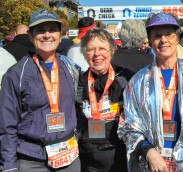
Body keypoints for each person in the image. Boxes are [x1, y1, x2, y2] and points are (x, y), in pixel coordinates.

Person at [118, 12, 183, 172]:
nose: (164, 40)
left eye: (169, 34)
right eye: (157, 36)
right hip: (155, 164)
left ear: (177, 38)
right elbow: (128, 126)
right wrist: (149, 151)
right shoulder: (138, 81)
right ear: (150, 41)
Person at [0, 9, 80, 172]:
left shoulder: (71, 67)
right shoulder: (16, 74)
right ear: (30, 36)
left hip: (69, 158)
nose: (47, 35)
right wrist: (8, 166)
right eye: (40, 30)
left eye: (52, 29)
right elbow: (6, 126)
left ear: (60, 34)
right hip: (33, 161)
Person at [76, 28, 128, 172]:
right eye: (91, 49)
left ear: (112, 51)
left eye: (102, 48)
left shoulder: (126, 79)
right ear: (85, 54)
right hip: (90, 160)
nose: (97, 54)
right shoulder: (78, 83)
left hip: (121, 157)